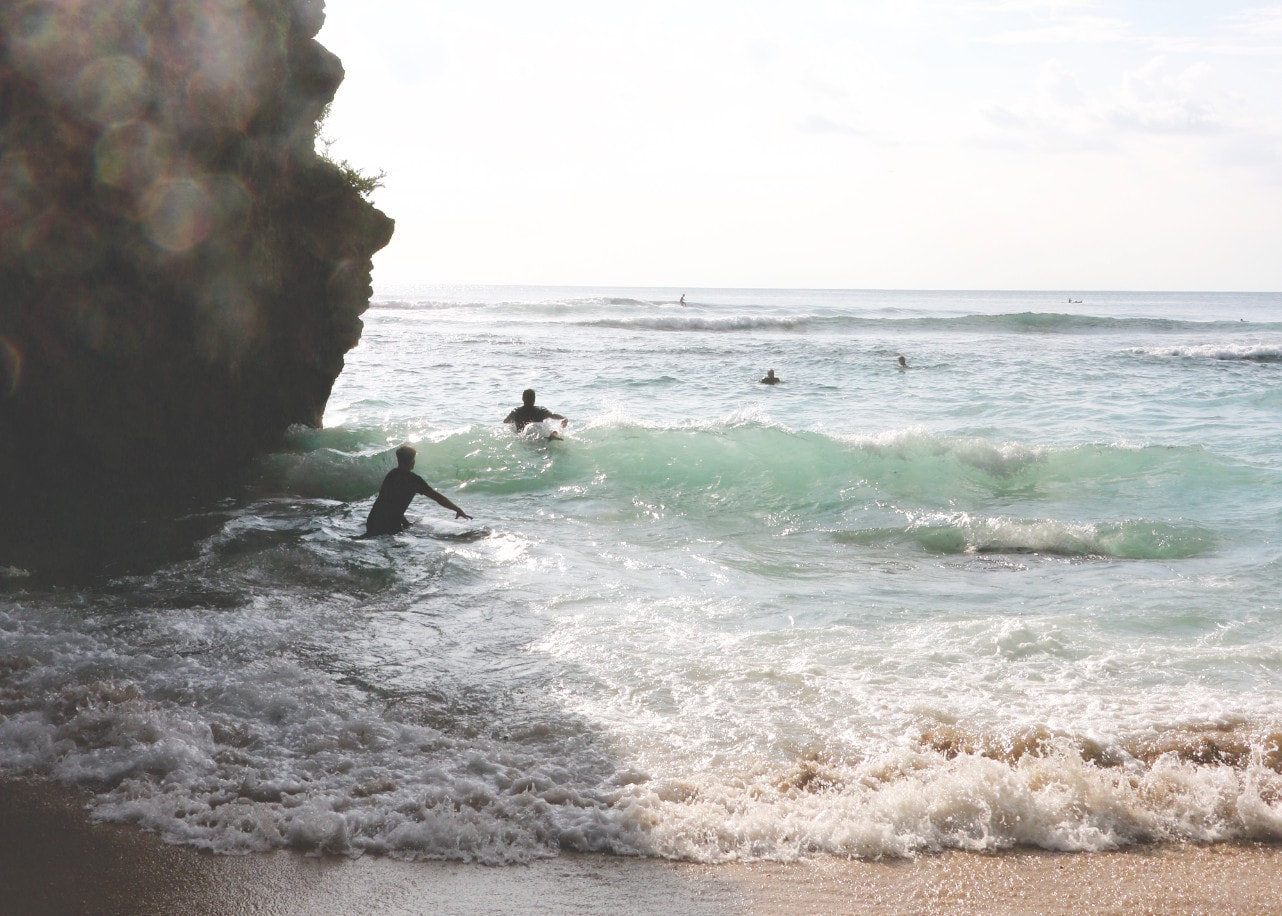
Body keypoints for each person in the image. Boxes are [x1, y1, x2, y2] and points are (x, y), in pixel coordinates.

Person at [365, 445, 471, 536]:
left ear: (398, 460)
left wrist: (405, 523)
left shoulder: (391, 475)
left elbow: (388, 502)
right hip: (390, 526)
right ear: (412, 461)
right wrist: (457, 509)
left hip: (372, 521)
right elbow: (437, 498)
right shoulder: (413, 480)